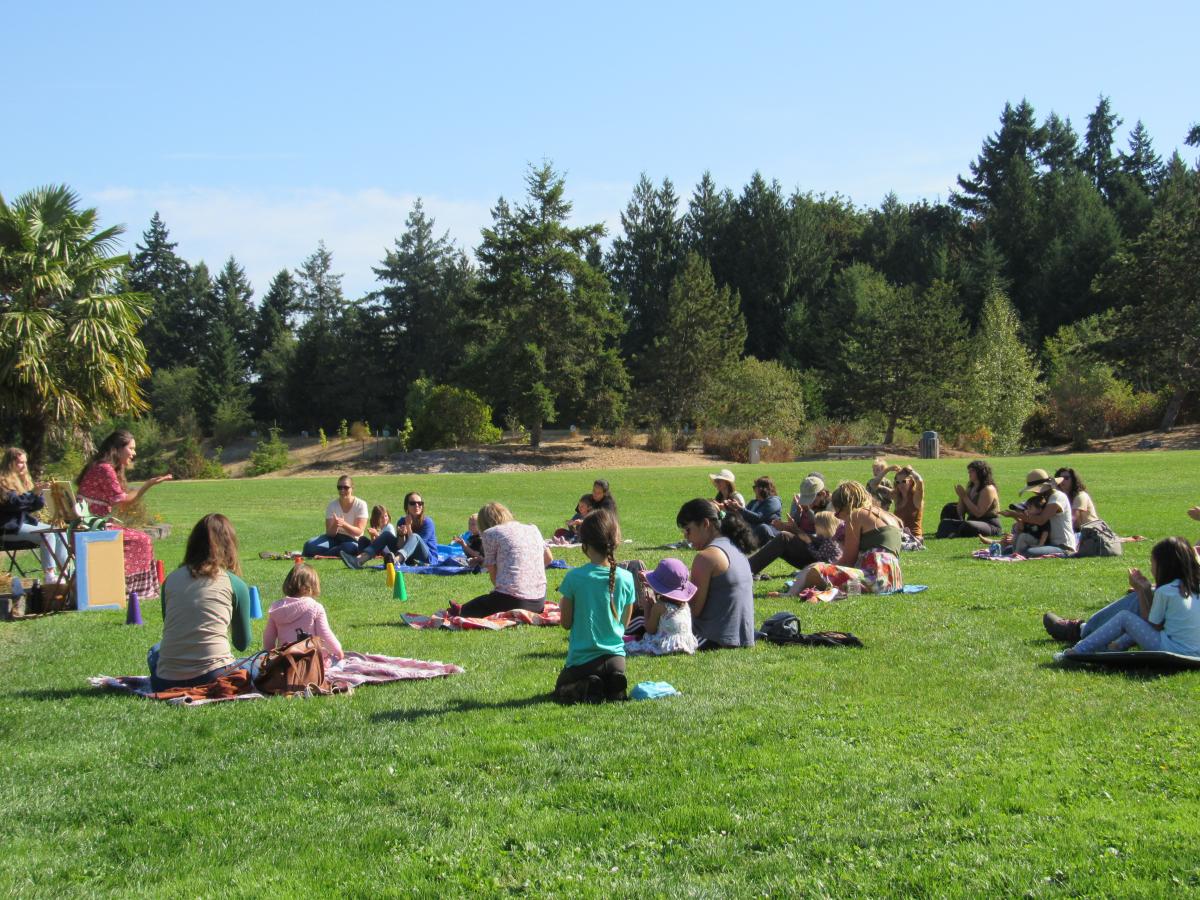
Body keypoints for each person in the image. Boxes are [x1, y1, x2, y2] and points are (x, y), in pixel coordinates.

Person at [1049, 536, 1200, 660]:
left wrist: (1141, 590)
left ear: (1164, 566)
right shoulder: (1193, 588)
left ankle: (1077, 651)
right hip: (1196, 653)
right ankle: (1116, 646)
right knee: (1135, 626)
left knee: (1125, 618)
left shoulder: (1166, 591)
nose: (1151, 568)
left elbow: (1153, 625)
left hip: (1174, 651)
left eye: (1152, 563)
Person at [148, 514, 252, 691]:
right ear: (230, 546)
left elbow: (173, 626)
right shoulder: (235, 584)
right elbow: (242, 644)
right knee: (252, 664)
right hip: (214, 676)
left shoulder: (170, 580)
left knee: (155, 651)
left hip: (164, 680)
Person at [77, 430, 173, 599]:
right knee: (142, 539)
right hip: (91, 527)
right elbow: (123, 502)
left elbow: (120, 505)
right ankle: (130, 591)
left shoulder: (102, 467)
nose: (134, 453)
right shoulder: (104, 469)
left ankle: (128, 587)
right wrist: (147, 485)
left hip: (94, 524)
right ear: (118, 449)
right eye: (131, 448)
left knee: (140, 537)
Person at [554, 510, 635, 703]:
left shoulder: (574, 578)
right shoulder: (626, 578)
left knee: (561, 689)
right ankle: (612, 686)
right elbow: (625, 623)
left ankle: (587, 686)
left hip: (583, 661)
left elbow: (565, 623)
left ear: (585, 542)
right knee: (607, 680)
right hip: (617, 659)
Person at [676, 498, 756, 650]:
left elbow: (692, 611)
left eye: (688, 530)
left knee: (644, 621)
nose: (686, 537)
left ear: (705, 524)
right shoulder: (734, 546)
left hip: (712, 638)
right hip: (742, 637)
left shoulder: (707, 557)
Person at [450, 502, 554, 618]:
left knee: (476, 605)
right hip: (538, 601)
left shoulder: (490, 533)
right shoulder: (533, 528)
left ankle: (461, 610)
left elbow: (494, 577)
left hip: (513, 601)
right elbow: (549, 558)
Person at [799, 481, 904, 594]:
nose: (836, 516)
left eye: (837, 510)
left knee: (815, 571)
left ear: (847, 505)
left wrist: (825, 567)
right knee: (820, 575)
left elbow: (848, 560)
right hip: (893, 583)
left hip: (873, 581)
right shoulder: (893, 518)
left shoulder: (856, 515)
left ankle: (789, 594)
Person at [0, 447, 66, 580]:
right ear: (10, 463)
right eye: (20, 462)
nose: (24, 466)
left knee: (60, 531)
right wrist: (32, 494)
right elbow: (14, 504)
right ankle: (50, 574)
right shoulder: (2, 481)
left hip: (22, 524)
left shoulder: (23, 480)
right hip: (7, 527)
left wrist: (39, 494)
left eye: (25, 462)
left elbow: (31, 506)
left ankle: (66, 571)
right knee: (47, 534)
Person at [748, 475, 835, 575]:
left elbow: (822, 544)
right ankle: (745, 567)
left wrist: (794, 530)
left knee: (783, 537)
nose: (811, 506)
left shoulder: (831, 510)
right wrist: (789, 528)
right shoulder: (819, 506)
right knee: (774, 533)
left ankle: (745, 569)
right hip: (815, 552)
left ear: (823, 494)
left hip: (824, 560)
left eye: (813, 501)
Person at [263, 563, 344, 664]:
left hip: (286, 661)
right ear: (308, 588)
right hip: (310, 662)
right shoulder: (315, 607)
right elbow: (325, 633)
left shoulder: (276, 608)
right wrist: (337, 650)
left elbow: (268, 637)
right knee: (337, 663)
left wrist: (269, 655)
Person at [624, 557, 699, 656]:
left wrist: (647, 607)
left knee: (627, 647)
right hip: (685, 644)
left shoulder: (660, 606)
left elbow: (650, 629)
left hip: (664, 646)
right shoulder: (684, 604)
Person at [342, 491, 438, 568]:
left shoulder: (427, 523)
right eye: (413, 503)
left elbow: (418, 546)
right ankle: (358, 560)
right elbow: (401, 546)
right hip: (409, 557)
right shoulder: (401, 521)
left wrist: (408, 527)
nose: (417, 506)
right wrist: (401, 535)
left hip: (427, 558)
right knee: (386, 535)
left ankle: (395, 561)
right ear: (407, 507)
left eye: (420, 503)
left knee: (415, 537)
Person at [1002, 469, 1077, 557]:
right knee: (1006, 551)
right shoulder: (1044, 498)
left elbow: (1041, 520)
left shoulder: (1057, 497)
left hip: (1062, 545)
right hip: (1048, 543)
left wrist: (1015, 515)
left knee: (1028, 552)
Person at [302, 476, 368, 558]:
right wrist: (336, 525)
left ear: (352, 488)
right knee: (309, 546)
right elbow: (330, 534)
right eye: (339, 487)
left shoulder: (361, 504)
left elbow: (359, 531)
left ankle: (323, 555)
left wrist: (343, 524)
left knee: (350, 548)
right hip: (334, 538)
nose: (342, 490)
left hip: (353, 539)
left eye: (346, 487)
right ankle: (332, 552)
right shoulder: (332, 505)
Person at [934, 460, 1001, 539]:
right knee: (945, 521)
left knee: (968, 525)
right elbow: (960, 512)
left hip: (988, 524)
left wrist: (964, 497)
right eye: (968, 471)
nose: (969, 473)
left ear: (980, 472)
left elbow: (979, 513)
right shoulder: (971, 487)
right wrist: (961, 497)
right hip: (971, 521)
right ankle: (954, 531)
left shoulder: (988, 489)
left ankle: (954, 532)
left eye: (972, 471)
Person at [738, 476, 784, 545]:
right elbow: (743, 517)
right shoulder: (753, 502)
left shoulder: (774, 501)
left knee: (763, 527)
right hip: (752, 531)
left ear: (762, 489)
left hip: (769, 533)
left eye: (754, 487)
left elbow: (760, 517)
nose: (753, 490)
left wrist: (741, 509)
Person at [1053, 467, 1098, 531]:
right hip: (1078, 530)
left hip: (1091, 532)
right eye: (1059, 478)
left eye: (1066, 478)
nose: (1062, 481)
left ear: (1073, 480)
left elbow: (1072, 518)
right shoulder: (1063, 496)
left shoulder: (1080, 496)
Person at [890, 465, 925, 540]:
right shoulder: (897, 498)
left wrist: (911, 471)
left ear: (911, 481)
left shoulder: (916, 498)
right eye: (898, 482)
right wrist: (887, 469)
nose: (900, 485)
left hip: (914, 538)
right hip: (899, 536)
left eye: (904, 481)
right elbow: (874, 486)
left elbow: (920, 481)